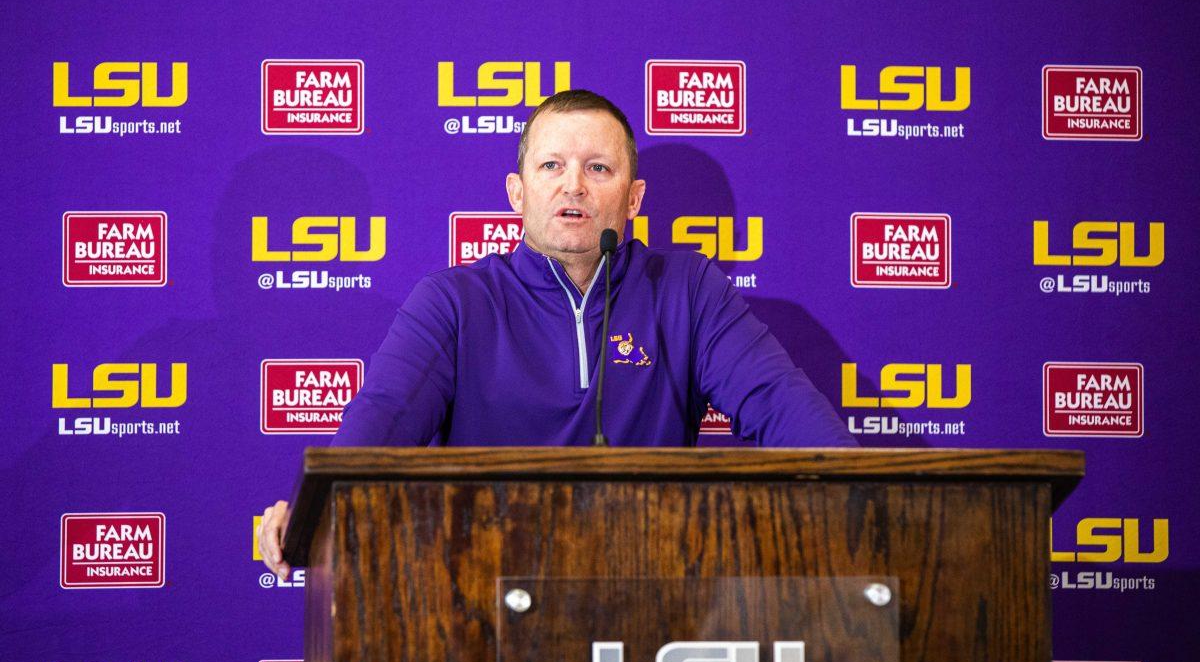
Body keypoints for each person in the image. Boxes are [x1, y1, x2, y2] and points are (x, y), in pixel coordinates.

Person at [259, 89, 854, 579]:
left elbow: (782, 406)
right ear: (517, 194)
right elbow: (382, 416)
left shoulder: (687, 289)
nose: (574, 186)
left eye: (598, 168)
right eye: (552, 166)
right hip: (488, 590)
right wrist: (313, 514)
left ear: (634, 198)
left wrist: (865, 502)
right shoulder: (456, 300)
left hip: (651, 582)